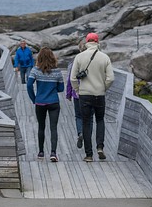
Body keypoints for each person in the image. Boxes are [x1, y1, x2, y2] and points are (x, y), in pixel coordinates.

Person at [70, 32, 113, 162]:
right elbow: (111, 78)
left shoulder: (79, 57)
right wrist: (103, 87)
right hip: (99, 95)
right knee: (100, 120)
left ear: (87, 42)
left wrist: (78, 90)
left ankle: (89, 155)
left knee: (86, 122)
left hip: (84, 95)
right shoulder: (105, 57)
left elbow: (73, 78)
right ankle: (100, 146)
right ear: (97, 42)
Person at [26, 47, 64, 162]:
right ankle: (53, 153)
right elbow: (61, 88)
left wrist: (34, 99)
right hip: (53, 102)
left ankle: (41, 152)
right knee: (53, 128)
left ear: (39, 57)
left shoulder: (35, 70)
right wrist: (52, 87)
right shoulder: (57, 71)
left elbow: (28, 85)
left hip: (40, 102)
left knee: (41, 127)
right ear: (52, 57)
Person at [65, 39, 87, 149]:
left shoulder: (74, 62)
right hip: (90, 92)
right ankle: (87, 137)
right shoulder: (92, 61)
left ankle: (80, 133)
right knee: (88, 117)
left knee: (78, 116)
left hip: (77, 93)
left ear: (79, 49)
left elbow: (70, 79)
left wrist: (68, 93)